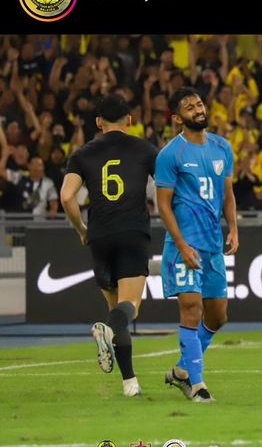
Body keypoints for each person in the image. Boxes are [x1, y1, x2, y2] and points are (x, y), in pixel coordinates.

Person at [60, 94, 158, 397]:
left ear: (99, 121)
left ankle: (130, 383)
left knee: (115, 308)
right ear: (130, 120)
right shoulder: (145, 149)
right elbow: (169, 188)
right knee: (130, 309)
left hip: (100, 236)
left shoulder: (82, 153)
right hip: (132, 232)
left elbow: (66, 197)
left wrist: (81, 229)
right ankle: (107, 333)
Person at [156, 87, 239, 402]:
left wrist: (233, 228)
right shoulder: (170, 154)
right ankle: (197, 384)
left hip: (213, 245)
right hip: (183, 245)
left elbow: (228, 195)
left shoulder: (222, 147)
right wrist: (181, 243)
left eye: (200, 103)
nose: (198, 109)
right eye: (190, 107)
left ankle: (181, 370)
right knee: (191, 309)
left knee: (218, 317)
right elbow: (163, 205)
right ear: (178, 118)